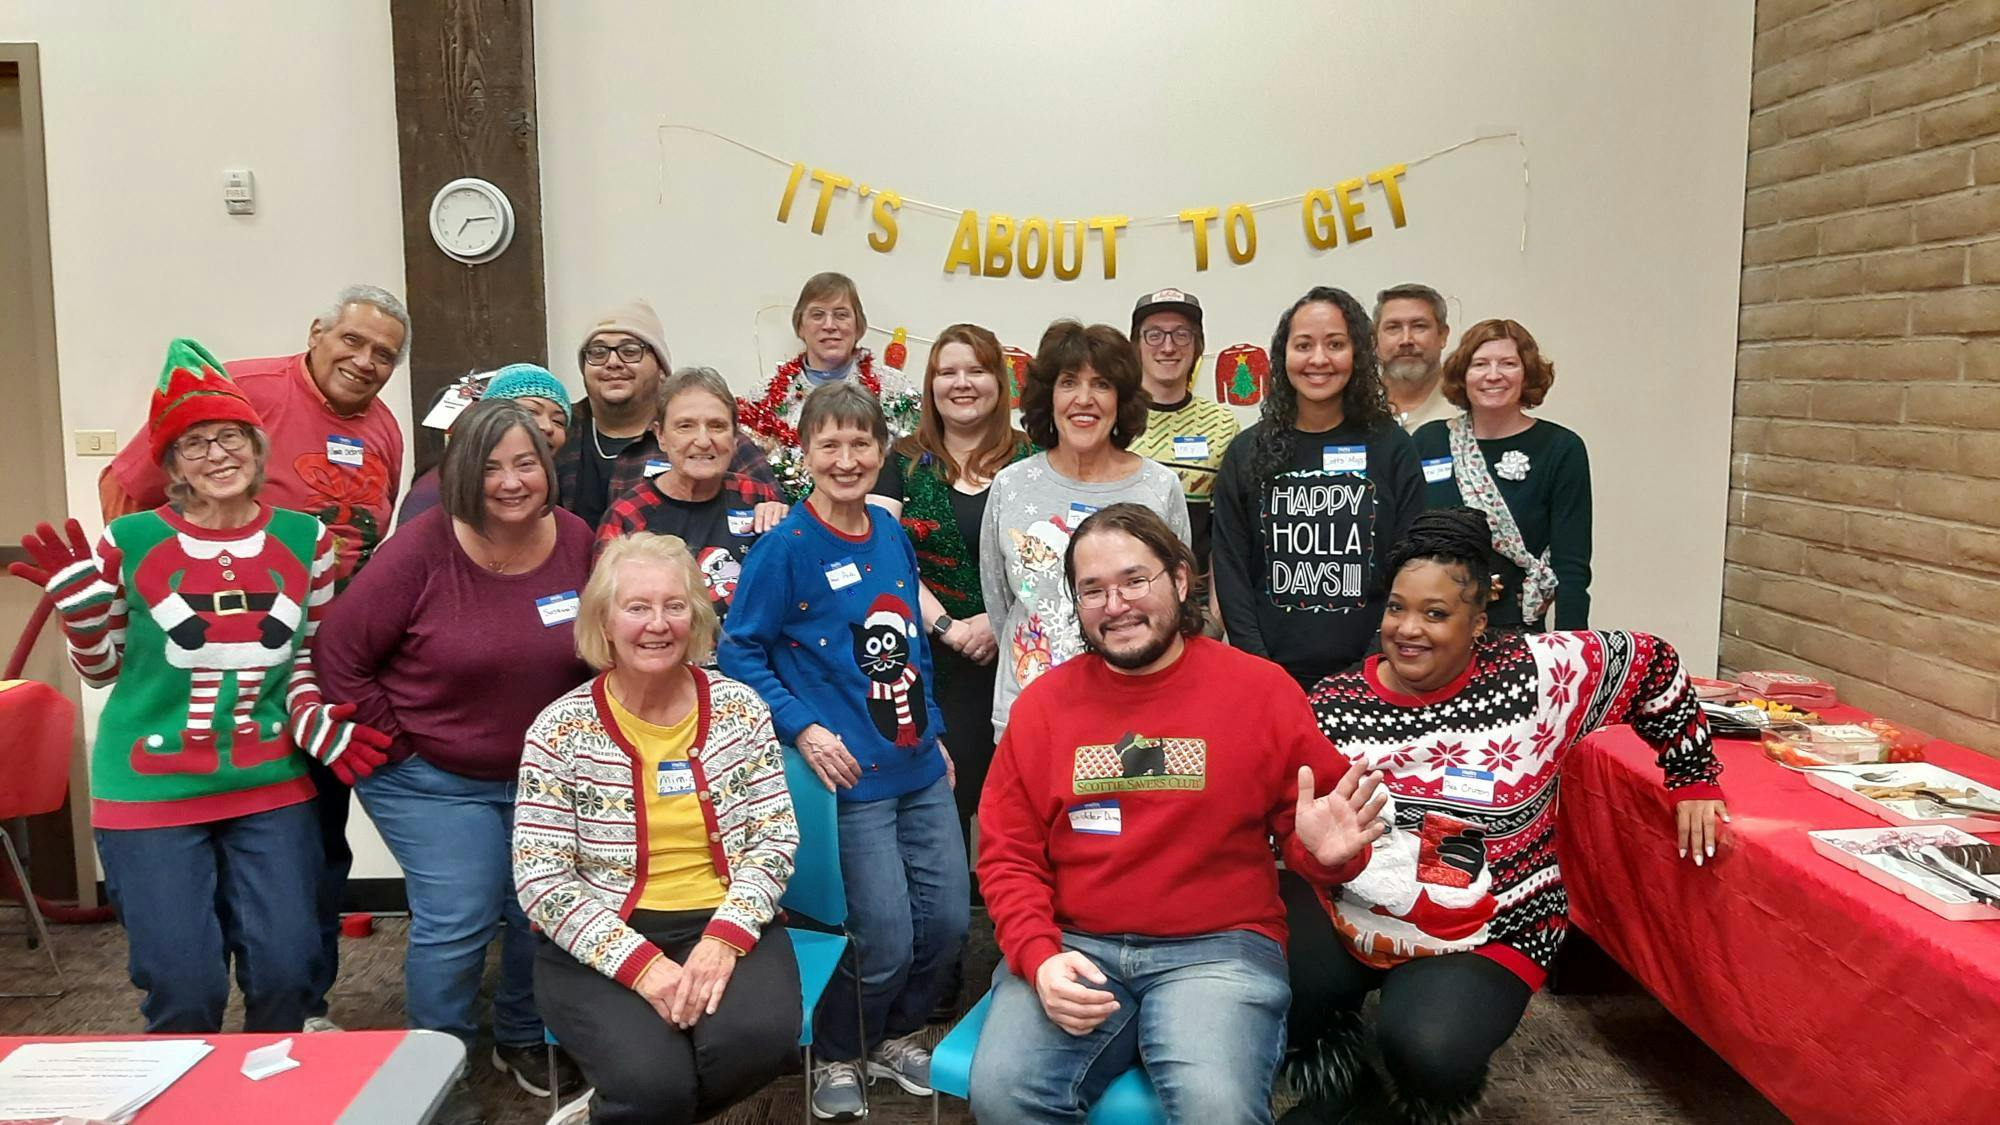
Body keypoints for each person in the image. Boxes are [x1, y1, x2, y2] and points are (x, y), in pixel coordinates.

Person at [1283, 509, 1726, 1124]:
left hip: (1496, 921)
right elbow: (1294, 830)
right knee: (1260, 972)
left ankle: (1409, 1102)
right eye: (1396, 608)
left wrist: (1693, 775)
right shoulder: (1330, 707)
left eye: (1436, 614)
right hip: (1354, 909)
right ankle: (1344, 1084)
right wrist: (1319, 858)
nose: (1407, 630)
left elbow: (1654, 663)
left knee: (1430, 1049)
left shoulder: (1539, 678)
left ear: (1478, 623)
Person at [8, 339, 389, 1033]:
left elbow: (306, 659)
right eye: (194, 444)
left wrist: (315, 720)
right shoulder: (132, 538)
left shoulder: (311, 542)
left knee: (288, 972)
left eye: (230, 436)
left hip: (268, 780)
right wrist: (84, 614)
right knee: (184, 986)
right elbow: (101, 667)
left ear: (256, 443)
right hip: (149, 788)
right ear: (171, 463)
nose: (217, 454)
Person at [969, 503, 1387, 1125]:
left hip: (1218, 949)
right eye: (1093, 590)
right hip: (1076, 943)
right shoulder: (1044, 708)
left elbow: (1321, 829)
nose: (1116, 605)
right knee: (1003, 1094)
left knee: (1216, 1109)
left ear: (1180, 580)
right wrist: (1038, 954)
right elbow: (1007, 853)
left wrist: (1330, 855)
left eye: (1135, 580)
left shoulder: (1261, 690)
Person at [97, 286, 410, 1027]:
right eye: (354, 342)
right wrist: (141, 597)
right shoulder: (250, 390)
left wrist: (324, 696)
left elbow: (371, 541)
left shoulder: (384, 431)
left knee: (296, 911)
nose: (365, 362)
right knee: (185, 964)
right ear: (317, 332)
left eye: (385, 355)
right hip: (171, 727)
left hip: (299, 687)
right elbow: (125, 490)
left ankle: (301, 1015)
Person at [315, 399, 594, 1122]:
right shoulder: (420, 548)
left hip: (538, 774)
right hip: (429, 774)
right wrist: (395, 737)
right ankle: (436, 1060)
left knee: (541, 903)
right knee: (461, 911)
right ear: (463, 473)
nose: (510, 481)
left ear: (548, 467)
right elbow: (337, 653)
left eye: (525, 462)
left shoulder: (574, 539)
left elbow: (597, 641)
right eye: (492, 465)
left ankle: (523, 1035)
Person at [718, 381, 966, 1121]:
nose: (847, 457)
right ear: (805, 454)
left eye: (862, 443)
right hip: (850, 777)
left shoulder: (890, 534)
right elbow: (739, 653)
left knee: (949, 920)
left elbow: (910, 645)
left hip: (919, 764)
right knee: (883, 936)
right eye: (830, 443)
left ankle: (896, 1034)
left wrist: (938, 731)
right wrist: (803, 728)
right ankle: (838, 1047)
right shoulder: (784, 548)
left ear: (882, 452)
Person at [516, 533, 800, 1125]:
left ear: (696, 618)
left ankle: (615, 1112)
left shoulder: (741, 708)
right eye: (637, 607)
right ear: (604, 620)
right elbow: (541, 880)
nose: (658, 624)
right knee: (651, 1085)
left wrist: (723, 939)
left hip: (724, 919)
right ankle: (630, 1106)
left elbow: (774, 838)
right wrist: (642, 965)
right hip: (601, 932)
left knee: (754, 1045)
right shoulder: (558, 729)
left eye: (675, 606)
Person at [867, 323, 1033, 865]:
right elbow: (883, 556)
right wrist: (949, 627)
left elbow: (1053, 554)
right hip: (932, 661)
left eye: (977, 370)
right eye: (947, 372)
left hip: (1022, 654)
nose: (962, 383)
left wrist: (995, 619)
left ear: (1000, 382)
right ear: (931, 384)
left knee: (1023, 801)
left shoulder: (1032, 460)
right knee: (948, 800)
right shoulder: (902, 460)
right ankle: (954, 934)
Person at [980, 320, 1189, 737]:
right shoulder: (1011, 486)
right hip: (1028, 708)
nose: (1084, 399)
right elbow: (1002, 604)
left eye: (1102, 384)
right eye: (1068, 383)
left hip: (1136, 712)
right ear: (1048, 397)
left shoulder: (1158, 486)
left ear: (1122, 400)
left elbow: (1176, 603)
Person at [1212, 286, 1424, 688]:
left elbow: (1412, 565)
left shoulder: (1392, 447)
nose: (1319, 359)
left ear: (1357, 354)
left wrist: (1376, 661)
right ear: (1283, 355)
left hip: (1377, 673)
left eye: (1336, 344)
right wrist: (1259, 667)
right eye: (1303, 345)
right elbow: (1232, 570)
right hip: (1267, 676)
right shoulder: (1247, 451)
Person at [1413, 318, 1592, 632]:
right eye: (1480, 364)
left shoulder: (1561, 447)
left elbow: (1572, 566)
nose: (1493, 375)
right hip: (1432, 627)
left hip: (1515, 627)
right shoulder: (1429, 441)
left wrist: (1573, 646)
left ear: (1527, 373)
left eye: (1508, 363)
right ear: (1463, 375)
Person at [554, 299, 776, 529]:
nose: (612, 362)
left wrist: (771, 511)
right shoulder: (561, 431)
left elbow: (775, 512)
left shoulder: (715, 438)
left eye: (630, 351)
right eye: (598, 353)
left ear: (661, 368)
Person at [596, 367, 786, 623]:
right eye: (685, 426)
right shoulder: (629, 514)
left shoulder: (758, 497)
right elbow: (604, 617)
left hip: (749, 657)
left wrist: (787, 526)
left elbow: (798, 595)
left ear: (734, 436)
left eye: (717, 426)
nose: (703, 441)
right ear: (661, 436)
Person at [737, 272, 920, 501]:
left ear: (858, 326)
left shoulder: (895, 388)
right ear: (800, 326)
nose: (829, 325)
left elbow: (920, 465)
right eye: (817, 315)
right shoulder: (764, 396)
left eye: (841, 315)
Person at [1124, 287, 1238, 628]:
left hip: (1194, 607)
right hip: (1123, 602)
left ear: (1197, 345)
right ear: (1136, 346)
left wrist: (1215, 616)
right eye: (1154, 335)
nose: (1168, 346)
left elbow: (1226, 532)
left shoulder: (1222, 425)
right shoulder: (1112, 417)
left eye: (1181, 334)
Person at [400, 364, 573, 527]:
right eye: (531, 412)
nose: (547, 427)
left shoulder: (561, 514)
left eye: (558, 421)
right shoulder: (435, 493)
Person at [1375, 283, 1455, 433]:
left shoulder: (1466, 405)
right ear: (1375, 338)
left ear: (1443, 335)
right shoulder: (1353, 406)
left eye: (1419, 326)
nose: (1406, 340)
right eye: (1393, 327)